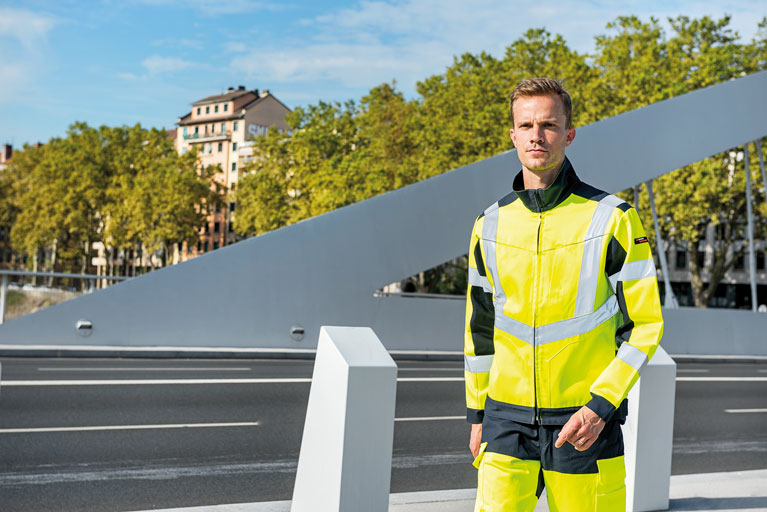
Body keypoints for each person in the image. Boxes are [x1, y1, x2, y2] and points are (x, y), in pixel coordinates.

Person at [464, 77, 664, 511]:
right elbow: (480, 331)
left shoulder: (614, 219)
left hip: (583, 421)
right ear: (513, 135)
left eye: (549, 125)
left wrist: (601, 406)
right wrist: (477, 415)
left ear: (568, 135)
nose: (538, 135)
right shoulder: (489, 225)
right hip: (505, 420)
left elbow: (645, 326)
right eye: (527, 125)